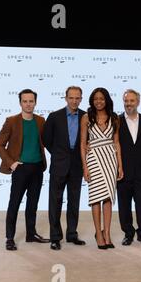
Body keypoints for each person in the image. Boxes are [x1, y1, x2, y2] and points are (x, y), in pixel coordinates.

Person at [0, 88, 50, 251]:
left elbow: (46, 141)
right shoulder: (11, 121)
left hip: (37, 168)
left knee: (33, 204)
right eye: (25, 101)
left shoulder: (41, 121)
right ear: (20, 103)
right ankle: (10, 238)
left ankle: (31, 234)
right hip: (20, 168)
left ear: (35, 102)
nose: (28, 104)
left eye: (31, 101)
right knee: (14, 203)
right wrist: (11, 163)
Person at [42, 86, 86, 250]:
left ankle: (72, 234)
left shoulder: (85, 116)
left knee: (74, 201)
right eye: (71, 98)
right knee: (55, 201)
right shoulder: (55, 117)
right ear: (66, 98)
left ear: (81, 99)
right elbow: (46, 138)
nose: (74, 101)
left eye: (77, 98)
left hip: (77, 166)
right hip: (59, 165)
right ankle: (55, 237)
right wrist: (58, 153)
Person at [80, 87, 123, 249]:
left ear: (107, 100)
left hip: (110, 159)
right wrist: (85, 166)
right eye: (96, 99)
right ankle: (98, 232)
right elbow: (83, 144)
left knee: (108, 198)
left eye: (102, 99)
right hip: (94, 159)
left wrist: (120, 165)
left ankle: (107, 233)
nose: (99, 101)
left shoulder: (114, 118)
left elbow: (117, 142)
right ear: (92, 100)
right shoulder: (86, 117)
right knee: (96, 197)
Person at [117, 89, 141, 246]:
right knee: (124, 204)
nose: (128, 104)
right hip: (122, 170)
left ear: (138, 102)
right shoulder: (116, 121)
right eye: (126, 101)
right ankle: (128, 233)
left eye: (131, 101)